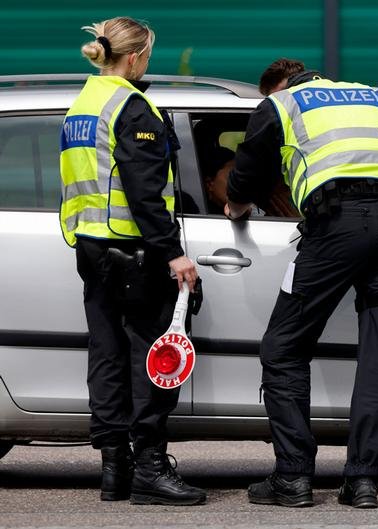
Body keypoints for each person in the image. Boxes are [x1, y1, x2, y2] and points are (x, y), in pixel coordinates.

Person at [225, 69, 378, 509]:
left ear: (278, 87)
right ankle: (364, 482)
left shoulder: (281, 104)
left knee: (283, 347)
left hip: (337, 226)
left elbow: (249, 171)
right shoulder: (376, 96)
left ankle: (292, 477)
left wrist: (237, 204)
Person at [59, 17, 206, 506]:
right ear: (137, 55)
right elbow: (145, 195)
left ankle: (113, 469)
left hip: (93, 249)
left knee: (106, 358)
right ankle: (149, 468)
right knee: (152, 357)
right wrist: (175, 254)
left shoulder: (81, 105)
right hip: (135, 252)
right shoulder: (132, 106)